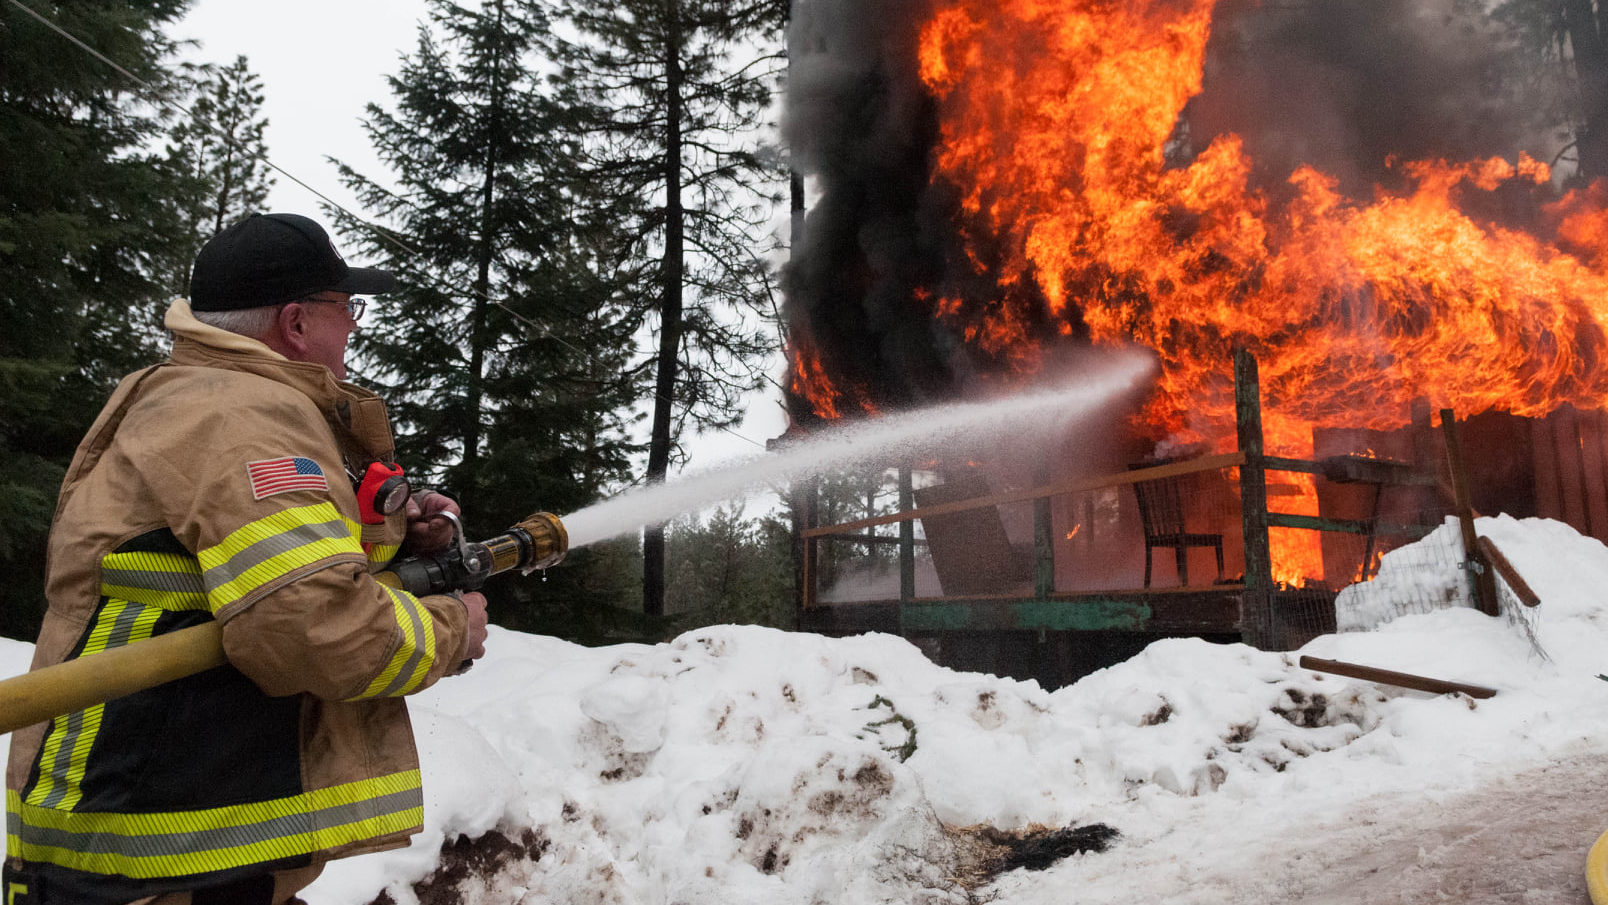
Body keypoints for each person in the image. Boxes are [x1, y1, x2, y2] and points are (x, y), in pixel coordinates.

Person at [2, 213, 490, 905]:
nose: (352, 326)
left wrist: (392, 535)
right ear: (296, 323)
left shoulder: (195, 393)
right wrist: (452, 628)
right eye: (345, 308)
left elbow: (253, 567)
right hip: (150, 860)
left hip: (164, 845)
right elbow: (314, 627)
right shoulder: (245, 418)